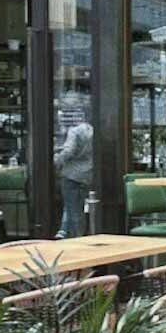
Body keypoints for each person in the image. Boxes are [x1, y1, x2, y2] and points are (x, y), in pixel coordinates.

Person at [53, 102, 93, 239]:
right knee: (76, 207)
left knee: (72, 208)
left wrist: (56, 160)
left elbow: (69, 151)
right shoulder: (92, 130)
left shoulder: (74, 131)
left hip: (72, 175)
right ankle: (64, 231)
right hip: (88, 174)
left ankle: (76, 237)